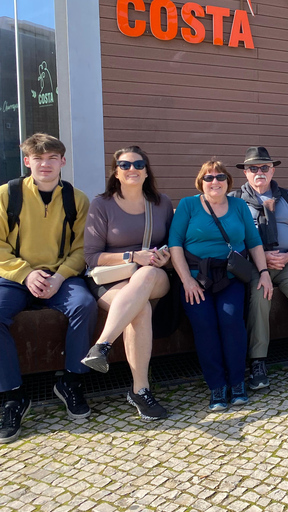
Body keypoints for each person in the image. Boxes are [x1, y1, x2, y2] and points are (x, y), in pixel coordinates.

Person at [0, 133, 98, 443]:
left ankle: (71, 381)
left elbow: (84, 248)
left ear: (62, 162)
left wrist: (60, 275)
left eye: (52, 158)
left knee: (85, 305)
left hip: (61, 277)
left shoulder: (77, 199)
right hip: (16, 277)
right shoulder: (7, 194)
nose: (45, 164)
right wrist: (26, 274)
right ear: (27, 161)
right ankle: (13, 396)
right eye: (38, 158)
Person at [169, 160, 273, 411]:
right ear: (200, 182)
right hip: (197, 278)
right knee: (204, 325)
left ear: (228, 181)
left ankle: (237, 383)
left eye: (219, 177)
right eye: (208, 178)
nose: (214, 182)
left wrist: (264, 273)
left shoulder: (238, 205)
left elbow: (253, 241)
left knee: (231, 320)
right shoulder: (188, 205)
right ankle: (217, 386)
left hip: (230, 276)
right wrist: (187, 281)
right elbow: (175, 244)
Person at [80, 146, 173, 421]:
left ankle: (103, 345)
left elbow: (173, 244)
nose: (132, 169)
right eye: (124, 165)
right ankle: (140, 391)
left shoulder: (162, 203)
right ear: (115, 172)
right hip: (112, 280)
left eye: (138, 164)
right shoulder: (101, 205)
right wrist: (132, 255)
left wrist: (164, 257)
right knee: (140, 310)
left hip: (153, 276)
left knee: (143, 277)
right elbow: (91, 256)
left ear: (146, 171)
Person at [230, 146, 288, 388]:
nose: (259, 172)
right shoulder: (235, 199)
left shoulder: (287, 196)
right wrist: (260, 259)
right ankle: (258, 360)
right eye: (253, 168)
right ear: (246, 173)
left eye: (264, 167)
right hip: (254, 264)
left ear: (272, 171)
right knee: (260, 295)